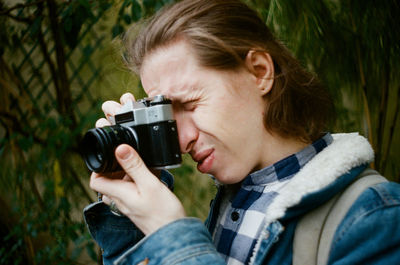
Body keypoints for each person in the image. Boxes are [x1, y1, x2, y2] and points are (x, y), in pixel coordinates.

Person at [83, 0, 400, 264]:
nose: (181, 140)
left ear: (259, 72)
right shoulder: (237, 200)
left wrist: (172, 235)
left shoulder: (376, 218)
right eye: (167, 117)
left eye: (190, 104)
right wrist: (137, 220)